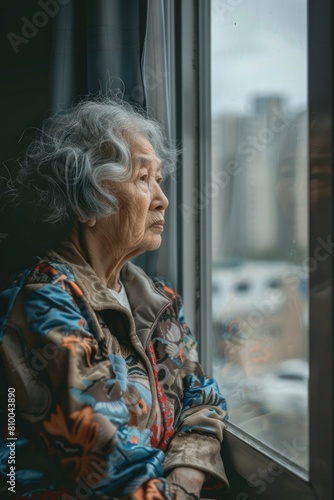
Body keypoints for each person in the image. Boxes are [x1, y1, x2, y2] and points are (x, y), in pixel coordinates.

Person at [0, 98, 228, 499]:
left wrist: (188, 468)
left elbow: (203, 398)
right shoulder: (44, 302)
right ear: (86, 198)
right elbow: (109, 467)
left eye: (159, 178)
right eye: (143, 178)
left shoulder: (158, 299)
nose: (162, 198)